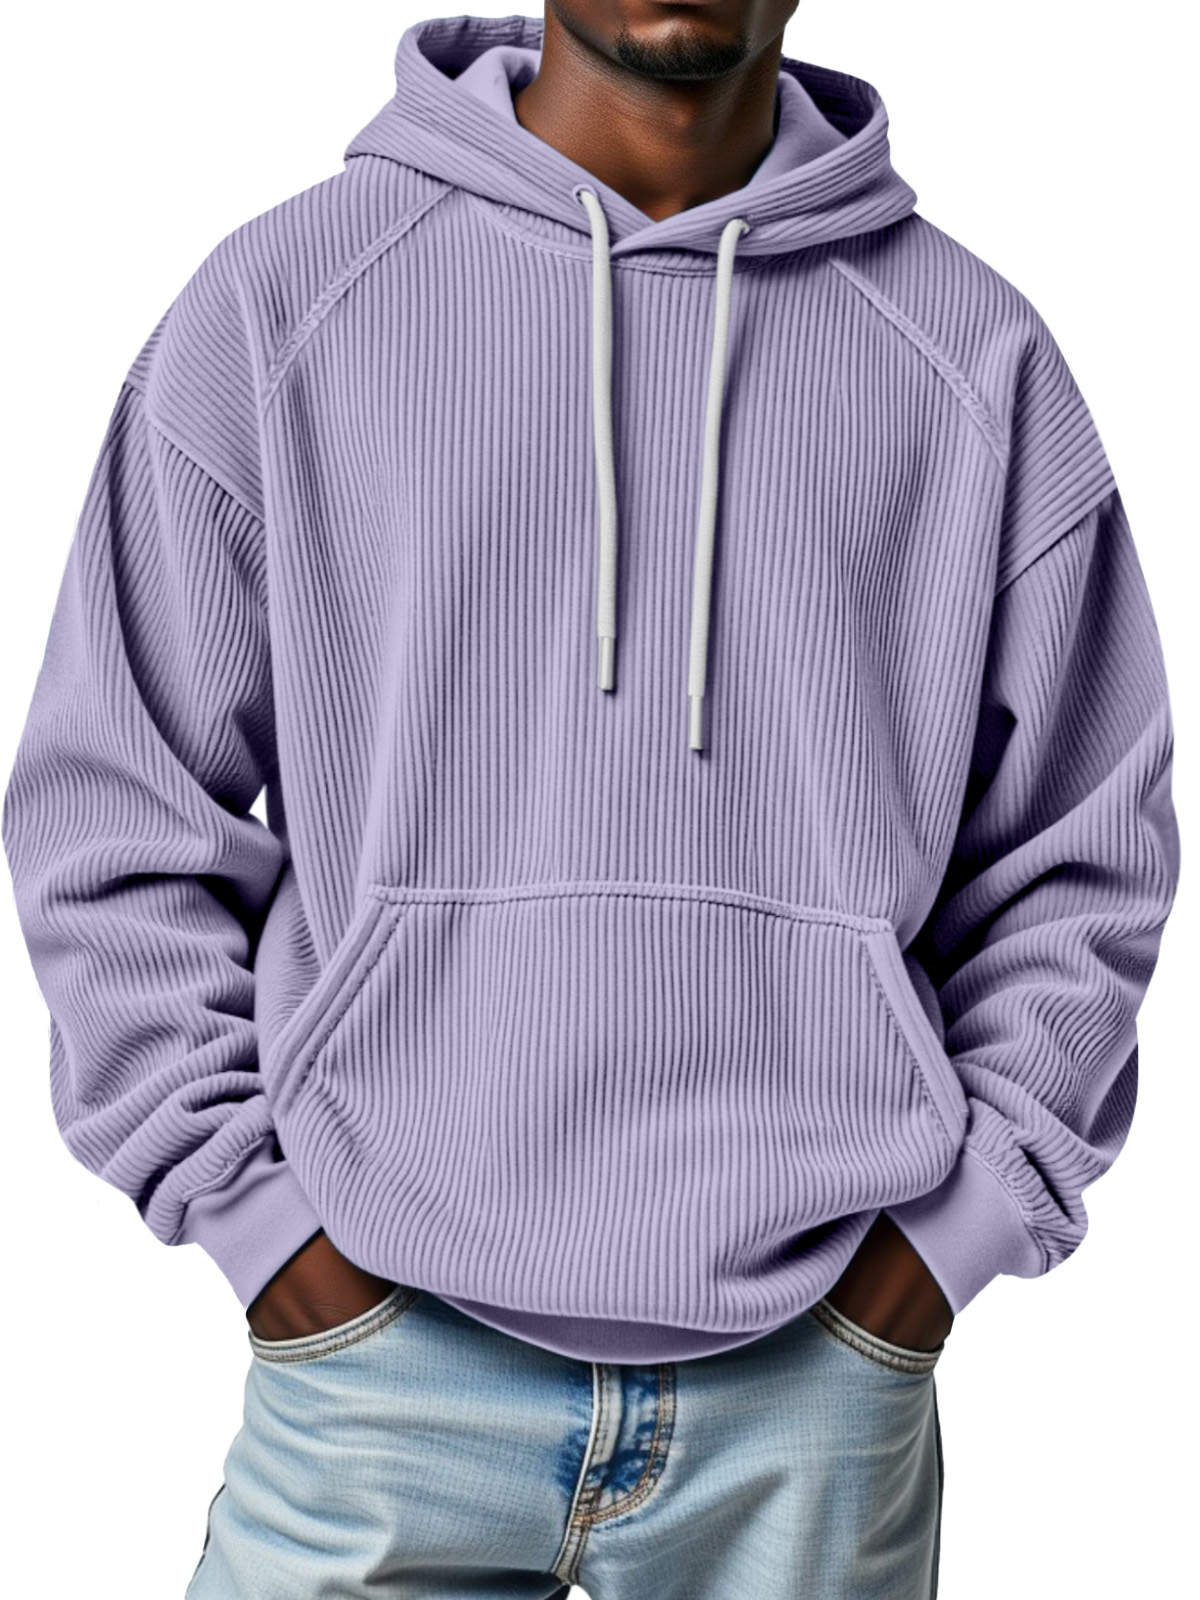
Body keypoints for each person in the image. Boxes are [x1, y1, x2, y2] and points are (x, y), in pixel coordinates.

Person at [1, 5, 1180, 1596]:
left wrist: (936, 1258)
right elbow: (113, 814)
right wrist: (262, 1227)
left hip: (811, 1390)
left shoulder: (973, 355)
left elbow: (1084, 857)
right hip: (380, 1375)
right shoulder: (286, 302)